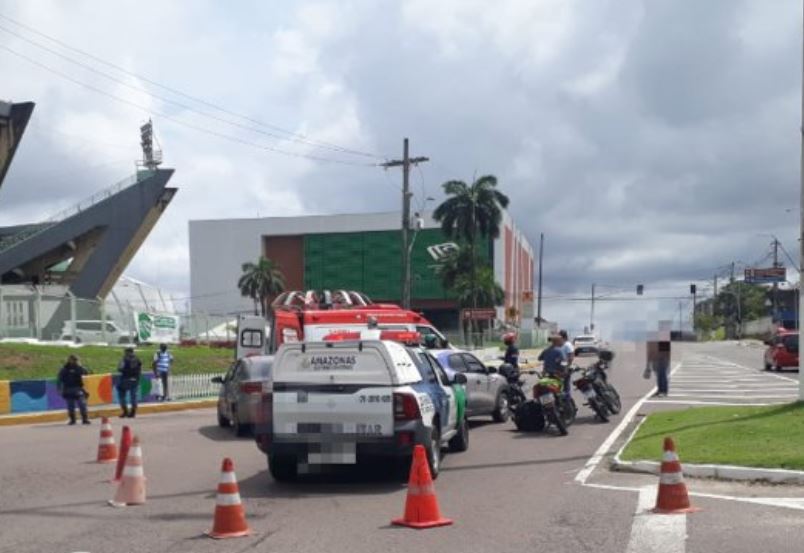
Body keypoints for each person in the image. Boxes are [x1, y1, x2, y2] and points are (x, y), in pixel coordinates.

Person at [57, 355, 91, 425]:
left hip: (79, 389)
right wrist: (59, 389)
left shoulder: (81, 368)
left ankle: (85, 419)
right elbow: (59, 380)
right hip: (68, 389)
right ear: (69, 360)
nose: (75, 361)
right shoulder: (64, 369)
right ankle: (72, 420)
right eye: (74, 360)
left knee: (82, 404)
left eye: (76, 360)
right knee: (70, 406)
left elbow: (88, 377)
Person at [117, 347, 142, 418]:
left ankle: (125, 411)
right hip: (135, 380)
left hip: (125, 380)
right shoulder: (138, 359)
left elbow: (119, 368)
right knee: (133, 396)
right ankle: (133, 412)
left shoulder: (124, 359)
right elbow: (140, 369)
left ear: (127, 352)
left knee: (121, 393)